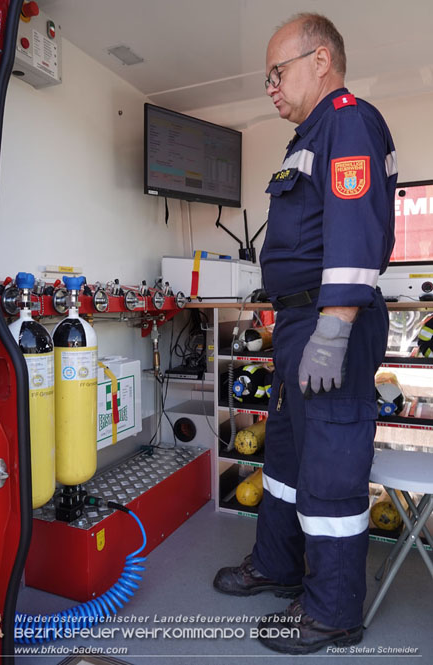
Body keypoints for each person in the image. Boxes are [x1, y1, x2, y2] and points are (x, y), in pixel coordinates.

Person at [213, 13, 397, 654]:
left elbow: (354, 233)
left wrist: (334, 329)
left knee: (329, 470)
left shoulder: (347, 121)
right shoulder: (308, 137)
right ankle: (278, 563)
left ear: (321, 61)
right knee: (287, 458)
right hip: (297, 324)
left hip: (327, 326)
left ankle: (332, 611)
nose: (270, 85)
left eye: (278, 71)